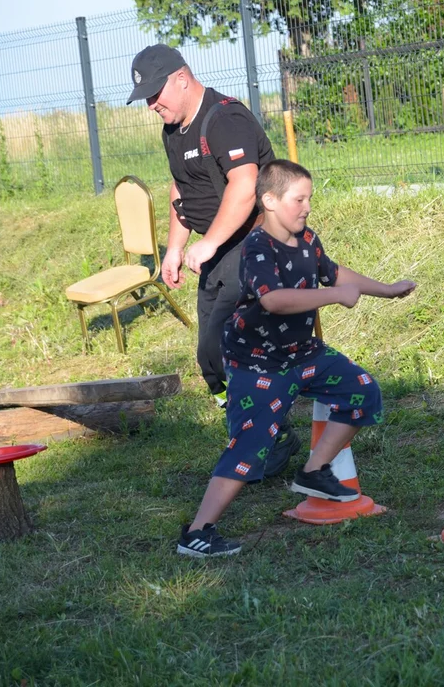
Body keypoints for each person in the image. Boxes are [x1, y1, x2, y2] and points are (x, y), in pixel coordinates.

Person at [177, 160, 416, 557]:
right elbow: (274, 299)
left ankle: (313, 471)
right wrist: (333, 297)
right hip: (257, 364)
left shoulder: (307, 239)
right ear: (269, 200)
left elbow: (335, 274)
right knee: (250, 445)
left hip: (302, 353)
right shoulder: (256, 248)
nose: (306, 207)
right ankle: (198, 532)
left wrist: (386, 290)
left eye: (309, 198)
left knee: (363, 392)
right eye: (298, 199)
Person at [127, 44, 300, 477]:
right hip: (219, 250)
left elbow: (244, 189)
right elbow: (180, 190)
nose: (152, 105)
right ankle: (254, 430)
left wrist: (208, 244)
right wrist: (173, 247)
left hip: (258, 243)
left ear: (182, 78)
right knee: (210, 359)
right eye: (146, 98)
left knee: (233, 348)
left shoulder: (224, 119)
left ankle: (266, 437)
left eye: (156, 94)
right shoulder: (173, 130)